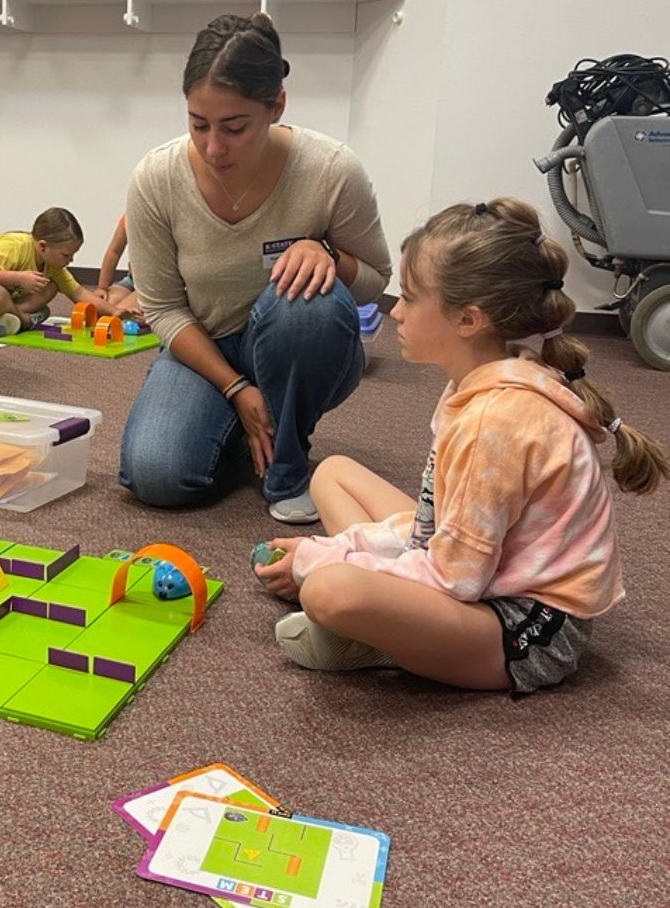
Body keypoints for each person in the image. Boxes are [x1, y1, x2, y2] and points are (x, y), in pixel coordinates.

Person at [257, 198, 669, 694]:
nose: (396, 311)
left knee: (328, 591)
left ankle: (385, 639)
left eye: (409, 297)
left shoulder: (493, 422)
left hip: (525, 630)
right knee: (334, 472)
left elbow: (456, 579)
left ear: (469, 320)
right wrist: (340, 547)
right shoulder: (482, 379)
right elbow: (435, 529)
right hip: (483, 569)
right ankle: (392, 625)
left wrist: (319, 562)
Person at [120, 13, 391, 522]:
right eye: (198, 124)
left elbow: (377, 282)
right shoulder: (156, 177)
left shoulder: (331, 170)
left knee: (305, 302)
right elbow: (162, 309)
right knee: (157, 474)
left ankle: (288, 461)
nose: (213, 147)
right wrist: (234, 388)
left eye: (235, 127)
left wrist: (329, 256)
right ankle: (249, 428)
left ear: (276, 107)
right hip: (206, 341)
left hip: (297, 338)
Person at [0, 207, 114, 336]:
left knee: (51, 287)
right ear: (43, 246)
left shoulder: (53, 266)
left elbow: (79, 293)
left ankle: (6, 318)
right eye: (66, 255)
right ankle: (25, 320)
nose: (71, 260)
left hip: (5, 304)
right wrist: (18, 278)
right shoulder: (14, 245)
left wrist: (115, 311)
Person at [96, 214, 142, 319]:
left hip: (155, 287)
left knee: (119, 314)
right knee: (103, 308)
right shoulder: (131, 214)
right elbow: (114, 252)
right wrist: (102, 288)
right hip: (132, 280)